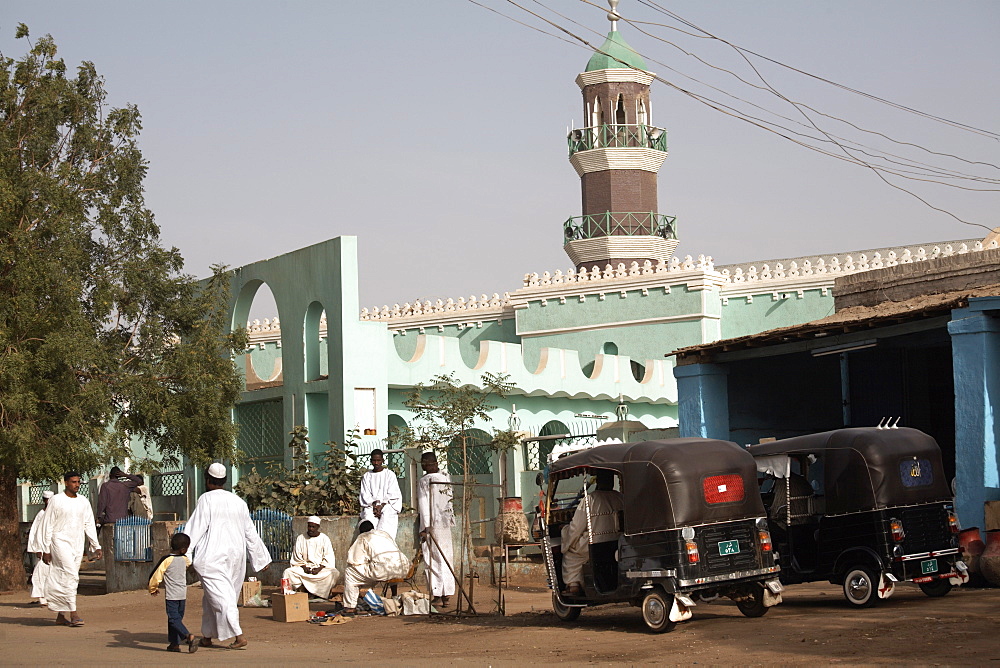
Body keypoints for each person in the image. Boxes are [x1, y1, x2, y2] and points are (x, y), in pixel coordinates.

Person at [183, 463, 271, 650]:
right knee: (211, 598)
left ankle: (239, 636)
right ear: (224, 481)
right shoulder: (239, 502)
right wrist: (261, 558)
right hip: (235, 559)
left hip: (211, 558)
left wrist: (184, 554)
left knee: (222, 599)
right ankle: (207, 636)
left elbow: (194, 528)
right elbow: (251, 533)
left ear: (207, 480)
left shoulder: (206, 499)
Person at [40, 472, 102, 627]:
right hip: (59, 541)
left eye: (78, 482)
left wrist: (96, 545)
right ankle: (74, 614)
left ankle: (61, 615)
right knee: (71, 575)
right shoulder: (56, 500)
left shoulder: (83, 502)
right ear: (66, 483)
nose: (77, 485)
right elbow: (47, 525)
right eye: (73, 482)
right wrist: (46, 549)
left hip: (77, 544)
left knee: (68, 578)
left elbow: (89, 524)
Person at [560, 470, 623, 597]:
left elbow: (576, 527)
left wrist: (565, 532)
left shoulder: (590, 500)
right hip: (617, 542)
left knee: (570, 554)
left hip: (594, 544)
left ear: (598, 481)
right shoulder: (620, 497)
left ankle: (573, 585)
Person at [341, 520, 410, 615]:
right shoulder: (384, 534)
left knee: (350, 572)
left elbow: (355, 560)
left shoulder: (363, 537)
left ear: (360, 531)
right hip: (402, 567)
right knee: (376, 568)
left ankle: (350, 607)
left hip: (382, 570)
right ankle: (393, 596)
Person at [416, 452, 456, 608]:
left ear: (427, 463)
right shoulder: (445, 478)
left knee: (433, 558)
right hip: (445, 522)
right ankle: (447, 594)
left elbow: (423, 503)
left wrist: (425, 527)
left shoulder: (425, 481)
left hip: (432, 524)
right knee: (446, 556)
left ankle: (438, 593)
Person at [148, 532, 198, 653]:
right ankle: (174, 644)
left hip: (172, 596)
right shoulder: (185, 559)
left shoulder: (167, 560)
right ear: (183, 550)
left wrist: (153, 588)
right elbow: (191, 568)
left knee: (173, 619)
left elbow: (156, 575)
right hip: (182, 594)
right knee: (176, 619)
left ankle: (187, 636)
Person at [282, 516, 340, 599]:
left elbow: (328, 556)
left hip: (320, 569)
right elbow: (297, 557)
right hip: (304, 568)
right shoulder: (301, 538)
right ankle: (298, 592)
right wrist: (305, 567)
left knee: (334, 573)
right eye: (309, 526)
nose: (311, 529)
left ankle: (319, 594)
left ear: (318, 527)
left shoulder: (324, 539)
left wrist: (319, 568)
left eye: (313, 527)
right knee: (288, 572)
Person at [358, 449, 402, 538]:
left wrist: (381, 506)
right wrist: (374, 505)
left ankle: (386, 544)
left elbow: (393, 494)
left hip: (387, 505)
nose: (376, 463)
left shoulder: (390, 474)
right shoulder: (367, 476)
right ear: (371, 461)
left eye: (378, 460)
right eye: (374, 460)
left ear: (382, 460)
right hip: (371, 506)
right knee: (368, 521)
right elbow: (365, 494)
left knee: (387, 517)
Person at [27, 490, 54, 606]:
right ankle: (41, 597)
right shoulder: (41, 515)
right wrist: (38, 549)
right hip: (43, 548)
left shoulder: (54, 513)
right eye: (48, 500)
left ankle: (50, 597)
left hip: (53, 547)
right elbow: (35, 533)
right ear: (44, 500)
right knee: (40, 573)